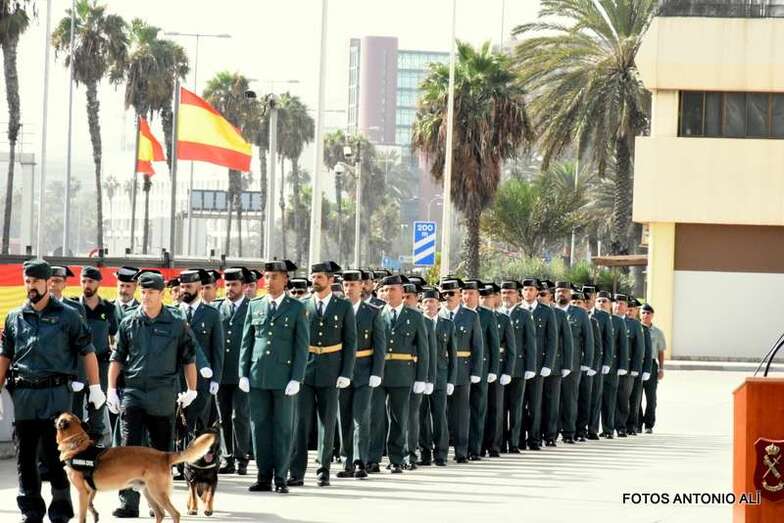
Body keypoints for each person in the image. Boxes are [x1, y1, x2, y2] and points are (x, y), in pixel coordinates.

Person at [1, 260, 105, 523]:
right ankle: (31, 510)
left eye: (36, 281)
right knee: (25, 457)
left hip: (56, 394)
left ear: (49, 283)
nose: (31, 286)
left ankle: (60, 510)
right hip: (24, 395)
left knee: (56, 455)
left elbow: (88, 351)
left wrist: (95, 387)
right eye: (27, 281)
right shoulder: (14, 317)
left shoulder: (68, 316)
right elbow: (5, 355)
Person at [108, 270, 199, 518]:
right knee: (129, 449)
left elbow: (189, 359)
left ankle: (157, 502)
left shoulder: (177, 324)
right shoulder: (129, 322)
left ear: (162, 294)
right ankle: (128, 502)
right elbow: (117, 358)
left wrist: (192, 389)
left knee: (160, 453)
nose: (146, 297)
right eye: (143, 292)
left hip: (162, 394)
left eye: (151, 292)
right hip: (134, 393)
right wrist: (111, 389)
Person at [240, 259, 308, 494]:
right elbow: (247, 341)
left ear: (285, 280)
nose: (269, 281)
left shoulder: (296, 308)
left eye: (274, 277)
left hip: (284, 378)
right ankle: (263, 476)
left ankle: (280, 476)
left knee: (283, 429)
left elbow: (302, 346)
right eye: (266, 277)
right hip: (257, 375)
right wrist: (243, 373)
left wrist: (297, 378)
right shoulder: (255, 305)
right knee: (259, 428)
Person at [289, 261, 356, 487]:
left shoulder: (343, 306)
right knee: (300, 423)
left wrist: (346, 372)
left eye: (319, 277)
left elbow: (350, 341)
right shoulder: (301, 305)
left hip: (331, 370)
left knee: (327, 424)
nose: (314, 281)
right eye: (313, 277)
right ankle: (296, 471)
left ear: (330, 280)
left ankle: (323, 469)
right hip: (305, 371)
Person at [366, 274, 428, 473]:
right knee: (375, 417)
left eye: (392, 289)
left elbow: (424, 350)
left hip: (403, 373)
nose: (388, 293)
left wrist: (421, 378)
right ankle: (372, 458)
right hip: (379, 372)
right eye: (384, 290)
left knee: (399, 418)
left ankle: (396, 458)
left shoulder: (415, 316)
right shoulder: (375, 314)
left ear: (402, 292)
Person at [337, 269, 386, 478]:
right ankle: (347, 461)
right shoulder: (337, 309)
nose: (349, 289)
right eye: (346, 285)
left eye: (353, 285)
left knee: (361, 417)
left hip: (364, 370)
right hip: (342, 370)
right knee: (344, 417)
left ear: (361, 287)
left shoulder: (372, 312)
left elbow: (380, 344)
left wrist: (377, 371)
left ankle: (360, 462)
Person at [439, 278, 482, 463]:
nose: (448, 297)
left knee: (461, 414)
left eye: (452, 294)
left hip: (462, 370)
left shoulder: (471, 316)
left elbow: (477, 346)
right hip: (440, 369)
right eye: (444, 294)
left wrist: (476, 371)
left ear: (459, 295)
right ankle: (440, 452)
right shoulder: (436, 314)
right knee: (439, 413)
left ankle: (461, 451)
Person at [178, 269, 225, 435]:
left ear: (199, 287)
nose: (184, 290)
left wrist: (216, 379)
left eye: (188, 287)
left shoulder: (212, 314)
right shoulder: (173, 312)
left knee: (200, 425)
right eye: (182, 287)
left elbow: (217, 349)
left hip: (202, 379)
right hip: (178, 378)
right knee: (178, 425)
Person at [75, 266, 117, 446]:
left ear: (99, 283)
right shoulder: (73, 307)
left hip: (101, 365)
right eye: (84, 281)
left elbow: (114, 336)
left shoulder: (108, 308)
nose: (87, 285)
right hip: (78, 366)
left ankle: (96, 448)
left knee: (97, 408)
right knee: (74, 411)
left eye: (90, 281)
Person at [217, 267, 253, 475]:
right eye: (227, 284)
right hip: (221, 372)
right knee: (223, 417)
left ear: (244, 286)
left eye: (234, 284)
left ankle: (242, 457)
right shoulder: (217, 308)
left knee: (240, 416)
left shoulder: (252, 307)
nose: (230, 288)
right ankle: (227, 457)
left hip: (242, 372)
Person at [418, 288, 456, 466]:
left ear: (438, 304)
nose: (429, 305)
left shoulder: (447, 324)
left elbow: (453, 354)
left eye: (432, 301)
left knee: (440, 416)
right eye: (425, 302)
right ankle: (424, 453)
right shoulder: (418, 322)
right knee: (421, 416)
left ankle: (441, 454)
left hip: (440, 376)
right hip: (422, 375)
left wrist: (451, 380)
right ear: (421, 305)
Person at [462, 279, 500, 461]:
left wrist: (493, 369)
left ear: (478, 296)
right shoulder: (457, 314)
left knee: (478, 409)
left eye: (471, 293)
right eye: (464, 293)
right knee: (461, 411)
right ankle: (460, 446)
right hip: (461, 369)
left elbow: (493, 344)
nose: (467, 297)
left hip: (481, 368)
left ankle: (475, 448)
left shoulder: (486, 315)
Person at [520, 278, 557, 451]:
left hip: (538, 365)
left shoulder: (546, 311)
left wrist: (548, 364)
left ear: (536, 292)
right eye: (525, 289)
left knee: (535, 404)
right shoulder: (517, 310)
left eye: (531, 290)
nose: (528, 292)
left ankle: (534, 439)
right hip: (519, 364)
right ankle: (519, 438)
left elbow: (552, 340)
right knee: (519, 405)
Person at [554, 284, 593, 445]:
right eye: (558, 291)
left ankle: (569, 432)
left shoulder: (580, 313)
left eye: (564, 291)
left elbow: (588, 339)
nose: (561, 294)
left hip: (573, 363)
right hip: (552, 363)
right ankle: (551, 432)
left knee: (570, 398)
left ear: (570, 295)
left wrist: (587, 362)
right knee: (552, 400)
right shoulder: (550, 311)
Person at [502, 280, 536, 453]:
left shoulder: (524, 315)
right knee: (500, 408)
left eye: (510, 293)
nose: (507, 296)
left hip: (518, 368)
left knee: (516, 407)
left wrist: (530, 367)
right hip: (500, 368)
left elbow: (530, 342)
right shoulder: (497, 313)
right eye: (504, 293)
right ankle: (500, 443)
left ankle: (515, 442)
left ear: (517, 295)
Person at [482, 283, 515, 457]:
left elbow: (510, 348)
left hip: (497, 367)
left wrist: (508, 371)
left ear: (495, 298)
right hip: (478, 368)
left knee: (496, 408)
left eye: (488, 297)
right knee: (479, 408)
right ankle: (479, 445)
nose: (484, 300)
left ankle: (495, 445)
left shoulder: (502, 319)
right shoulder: (475, 317)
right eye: (482, 297)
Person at [540, 282, 572, 448]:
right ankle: (535, 434)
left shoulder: (558, 314)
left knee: (552, 402)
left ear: (550, 296)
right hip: (534, 365)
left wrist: (566, 365)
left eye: (543, 294)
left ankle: (550, 435)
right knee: (535, 403)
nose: (540, 297)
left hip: (554, 365)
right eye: (539, 294)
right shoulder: (529, 312)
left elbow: (567, 341)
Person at [402, 281, 427, 469]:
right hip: (395, 373)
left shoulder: (422, 319)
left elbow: (428, 352)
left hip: (414, 372)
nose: (405, 301)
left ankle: (411, 453)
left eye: (408, 297)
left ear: (417, 298)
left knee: (411, 415)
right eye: (402, 297)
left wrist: (424, 378)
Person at [585, 287, 613, 440]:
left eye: (604, 301)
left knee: (595, 396)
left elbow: (608, 341)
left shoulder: (603, 317)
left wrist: (606, 362)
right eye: (599, 301)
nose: (601, 303)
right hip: (580, 362)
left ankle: (593, 429)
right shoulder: (580, 313)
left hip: (597, 363)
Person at [626, 298, 652, 435]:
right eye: (628, 309)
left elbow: (647, 351)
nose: (629, 312)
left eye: (632, 310)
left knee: (635, 399)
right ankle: (621, 424)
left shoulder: (643, 329)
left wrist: (647, 369)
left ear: (636, 311)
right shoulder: (621, 323)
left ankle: (632, 426)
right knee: (622, 398)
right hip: (623, 366)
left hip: (637, 367)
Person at [612, 294, 636, 438]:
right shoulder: (608, 320)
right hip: (609, 366)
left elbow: (639, 348)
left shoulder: (633, 324)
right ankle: (608, 427)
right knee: (608, 398)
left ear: (627, 307)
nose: (618, 305)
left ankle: (621, 426)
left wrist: (635, 368)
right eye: (616, 303)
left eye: (621, 303)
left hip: (626, 367)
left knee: (622, 398)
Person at [640, 303, 665, 433]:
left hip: (651, 364)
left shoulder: (658, 332)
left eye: (648, 313)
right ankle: (637, 423)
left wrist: (661, 369)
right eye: (643, 313)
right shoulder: (636, 328)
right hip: (638, 364)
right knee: (636, 397)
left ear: (652, 315)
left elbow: (661, 351)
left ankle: (649, 425)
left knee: (651, 398)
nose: (645, 315)